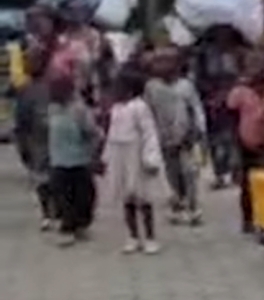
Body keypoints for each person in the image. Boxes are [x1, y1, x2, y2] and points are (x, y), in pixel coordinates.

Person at [103, 72, 170, 255]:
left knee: (144, 197)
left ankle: (150, 237)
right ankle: (132, 236)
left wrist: (151, 157)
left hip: (136, 156)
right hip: (120, 156)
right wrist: (106, 157)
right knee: (127, 198)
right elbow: (111, 135)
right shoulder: (115, 109)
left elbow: (149, 133)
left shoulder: (140, 107)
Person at [144, 46, 206, 226]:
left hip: (186, 135)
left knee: (189, 171)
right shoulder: (152, 87)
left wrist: (200, 132)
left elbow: (196, 109)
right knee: (171, 172)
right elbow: (148, 111)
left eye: (167, 61)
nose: (162, 65)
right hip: (163, 136)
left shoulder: (186, 86)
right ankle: (177, 202)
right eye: (158, 62)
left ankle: (193, 205)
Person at [227, 48, 264, 244]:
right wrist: (234, 144)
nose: (259, 71)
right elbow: (230, 115)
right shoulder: (241, 92)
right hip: (245, 142)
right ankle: (249, 220)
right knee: (248, 184)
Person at [14, 5, 58, 229]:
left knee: (58, 173)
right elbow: (21, 120)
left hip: (58, 133)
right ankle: (47, 213)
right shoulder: (26, 89)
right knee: (41, 175)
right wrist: (22, 143)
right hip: (37, 137)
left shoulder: (55, 82)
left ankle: (58, 210)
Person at [47, 75, 100, 246]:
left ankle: (81, 224)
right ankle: (67, 226)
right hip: (58, 160)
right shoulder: (51, 109)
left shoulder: (79, 110)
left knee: (83, 195)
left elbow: (92, 132)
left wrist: (93, 154)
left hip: (79, 159)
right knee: (62, 196)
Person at [195, 26, 245, 189]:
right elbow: (199, 79)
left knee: (234, 136)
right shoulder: (205, 55)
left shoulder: (239, 53)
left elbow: (243, 76)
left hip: (234, 100)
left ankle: (235, 170)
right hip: (212, 102)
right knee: (216, 139)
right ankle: (220, 172)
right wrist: (211, 95)